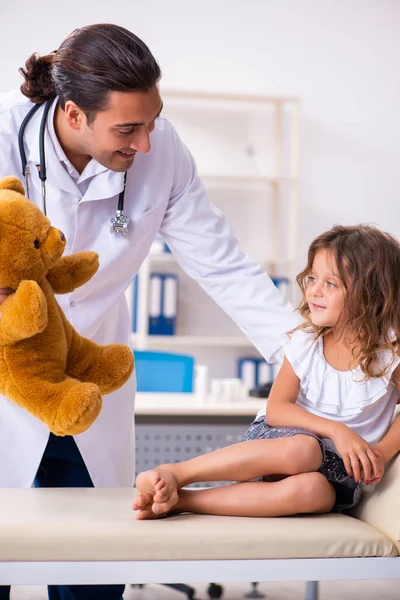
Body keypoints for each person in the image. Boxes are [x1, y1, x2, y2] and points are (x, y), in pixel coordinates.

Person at [0, 23, 298, 600]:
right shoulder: (6, 139)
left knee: (95, 572)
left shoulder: (161, 156)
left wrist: (307, 361)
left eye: (153, 121)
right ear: (73, 113)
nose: (146, 144)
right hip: (6, 384)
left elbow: (223, 265)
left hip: (95, 380)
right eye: (128, 128)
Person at [134, 224, 400, 519]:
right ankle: (177, 472)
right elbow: (276, 409)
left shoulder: (390, 352)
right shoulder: (306, 341)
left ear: (370, 294)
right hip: (283, 446)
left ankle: (183, 501)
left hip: (336, 473)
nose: (314, 290)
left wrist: (382, 453)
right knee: (305, 451)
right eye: (313, 278)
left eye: (331, 284)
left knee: (314, 492)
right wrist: (337, 431)